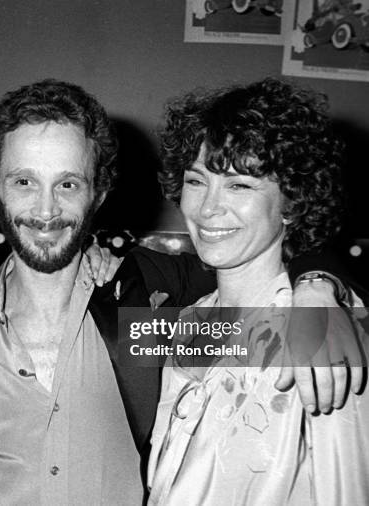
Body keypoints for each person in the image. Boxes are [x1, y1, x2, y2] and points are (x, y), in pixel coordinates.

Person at [0, 78, 362, 506]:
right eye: (24, 182)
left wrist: (318, 285)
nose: (46, 210)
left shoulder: (147, 299)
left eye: (68, 184)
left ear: (98, 193)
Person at [147, 78, 369, 505]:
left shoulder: (320, 325)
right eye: (196, 181)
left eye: (239, 185)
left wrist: (323, 285)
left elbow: (348, 490)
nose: (208, 208)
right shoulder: (189, 321)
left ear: (291, 203)